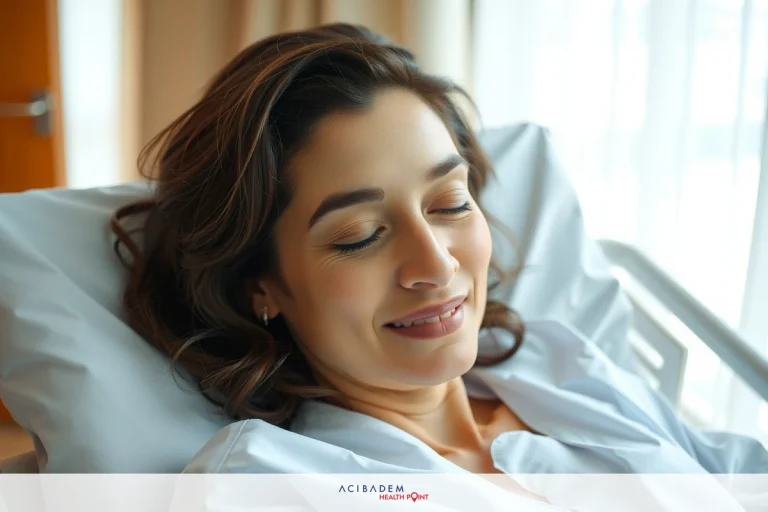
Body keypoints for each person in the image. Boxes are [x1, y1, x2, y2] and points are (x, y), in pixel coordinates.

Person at [111, 23, 767, 490]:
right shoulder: (270, 481)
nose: (436, 264)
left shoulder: (560, 364)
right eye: (359, 235)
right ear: (261, 284)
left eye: (450, 202)